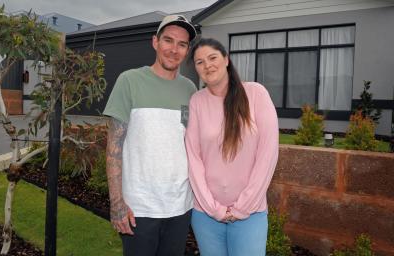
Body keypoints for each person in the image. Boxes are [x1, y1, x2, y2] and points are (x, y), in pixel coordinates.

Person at [103, 15, 197, 256]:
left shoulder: (190, 89)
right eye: (168, 40)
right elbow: (114, 146)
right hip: (139, 208)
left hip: (180, 205)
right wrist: (117, 204)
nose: (174, 49)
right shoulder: (129, 80)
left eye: (182, 44)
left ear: (187, 50)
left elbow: (190, 143)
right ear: (155, 42)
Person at [185, 38, 279, 256]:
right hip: (206, 215)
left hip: (250, 214)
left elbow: (268, 154)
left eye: (212, 57)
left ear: (226, 59)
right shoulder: (196, 101)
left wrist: (243, 207)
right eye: (199, 62)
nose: (207, 65)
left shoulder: (255, 94)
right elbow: (193, 157)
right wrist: (213, 208)